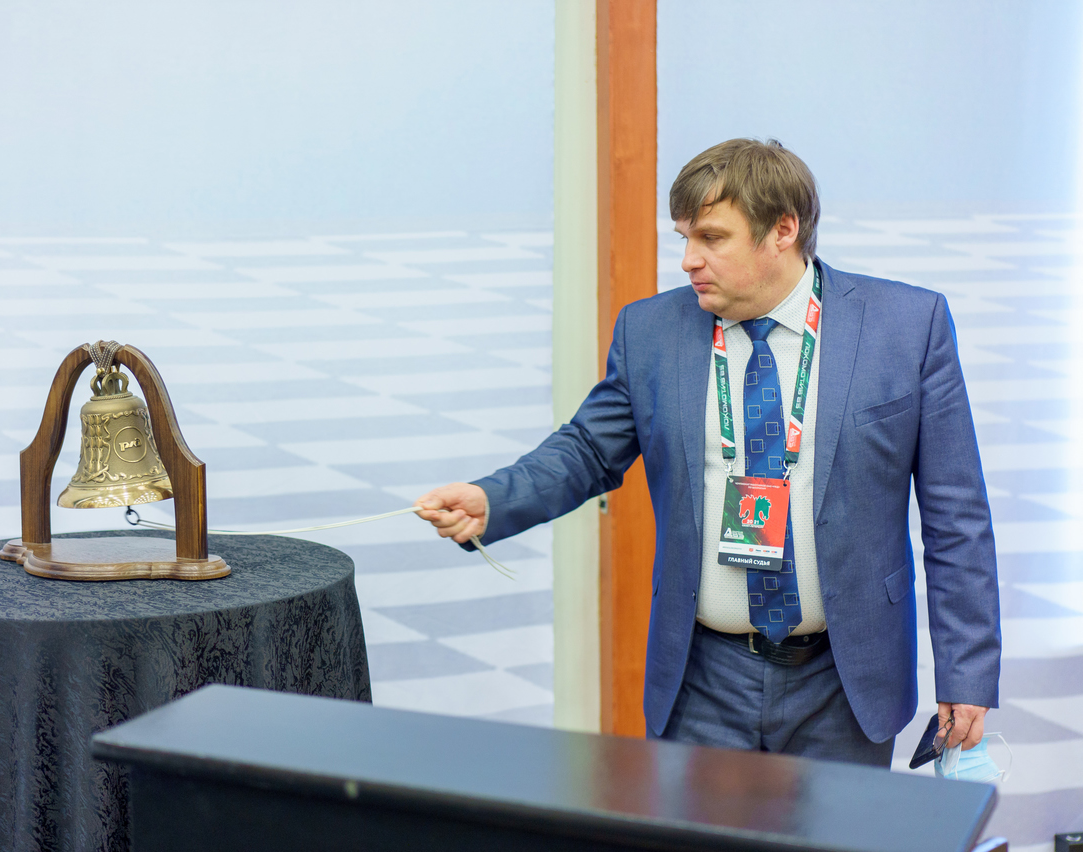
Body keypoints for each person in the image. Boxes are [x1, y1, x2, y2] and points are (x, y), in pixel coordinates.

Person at [415, 138, 1000, 767]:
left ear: (783, 230)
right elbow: (587, 449)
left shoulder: (906, 327)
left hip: (846, 680)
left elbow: (956, 515)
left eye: (712, 238)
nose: (689, 260)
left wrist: (965, 673)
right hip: (703, 681)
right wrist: (492, 500)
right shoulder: (651, 332)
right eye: (684, 237)